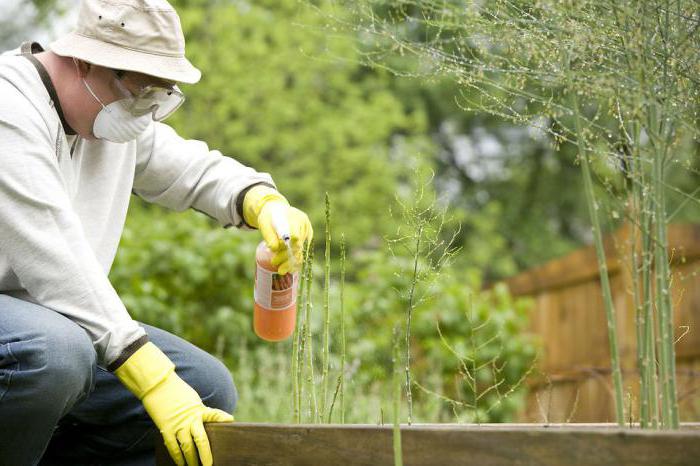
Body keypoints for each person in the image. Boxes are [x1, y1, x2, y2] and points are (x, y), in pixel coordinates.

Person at [0, 0, 312, 465]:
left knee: (206, 386)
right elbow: (54, 257)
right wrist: (152, 377)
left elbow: (187, 166)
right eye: (142, 90)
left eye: (160, 95)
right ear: (86, 60)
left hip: (42, 323)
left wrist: (258, 199)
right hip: (30, 331)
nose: (146, 111)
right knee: (56, 354)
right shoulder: (10, 107)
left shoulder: (104, 117)